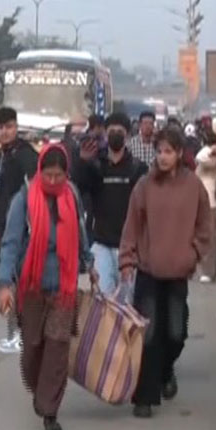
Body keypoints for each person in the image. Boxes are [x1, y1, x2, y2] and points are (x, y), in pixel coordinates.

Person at [0, 144, 95, 430]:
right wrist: (4, 284)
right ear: (40, 171)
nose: (52, 181)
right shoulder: (24, 199)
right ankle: (40, 391)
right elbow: (11, 243)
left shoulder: (71, 195)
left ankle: (50, 411)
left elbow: (81, 233)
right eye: (48, 175)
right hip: (32, 288)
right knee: (33, 350)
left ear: (66, 174)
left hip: (64, 287)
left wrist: (89, 263)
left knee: (57, 347)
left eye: (58, 175)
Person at [118, 128, 214, 418]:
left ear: (179, 153)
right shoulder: (144, 186)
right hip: (148, 270)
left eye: (168, 152)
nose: (163, 157)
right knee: (147, 336)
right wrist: (127, 260)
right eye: (159, 151)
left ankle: (165, 369)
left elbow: (205, 227)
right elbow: (132, 226)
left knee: (175, 333)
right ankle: (144, 398)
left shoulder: (193, 186)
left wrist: (193, 254)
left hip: (177, 273)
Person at [75, 111, 146, 295]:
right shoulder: (95, 166)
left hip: (129, 248)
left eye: (119, 131)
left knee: (126, 302)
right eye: (111, 131)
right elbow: (77, 188)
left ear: (127, 135)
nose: (115, 135)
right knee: (103, 299)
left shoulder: (138, 169)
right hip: (101, 244)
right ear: (105, 134)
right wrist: (82, 162)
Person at [0, 106, 38, 355]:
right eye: (0, 128)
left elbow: (34, 190)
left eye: (9, 127)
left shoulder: (24, 155)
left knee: (16, 283)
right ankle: (17, 334)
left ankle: (20, 334)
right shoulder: (3, 155)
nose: (5, 132)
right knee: (13, 282)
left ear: (16, 127)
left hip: (23, 230)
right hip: (7, 229)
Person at [194, 122, 216, 284]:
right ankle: (204, 268)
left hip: (211, 201)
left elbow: (198, 158)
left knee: (209, 237)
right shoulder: (213, 158)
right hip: (204, 200)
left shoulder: (215, 160)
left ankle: (209, 271)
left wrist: (212, 149)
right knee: (203, 235)